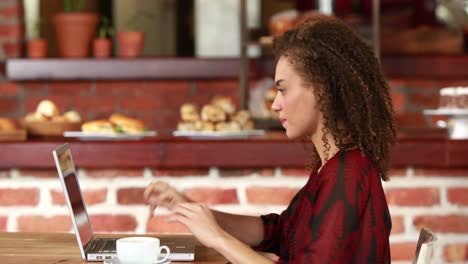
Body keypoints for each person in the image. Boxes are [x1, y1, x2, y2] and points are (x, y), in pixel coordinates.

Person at [144, 13, 395, 264]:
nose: (275, 104)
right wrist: (190, 208)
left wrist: (217, 239)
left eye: (283, 89)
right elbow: (277, 232)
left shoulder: (347, 175)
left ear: (321, 90)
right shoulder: (333, 168)